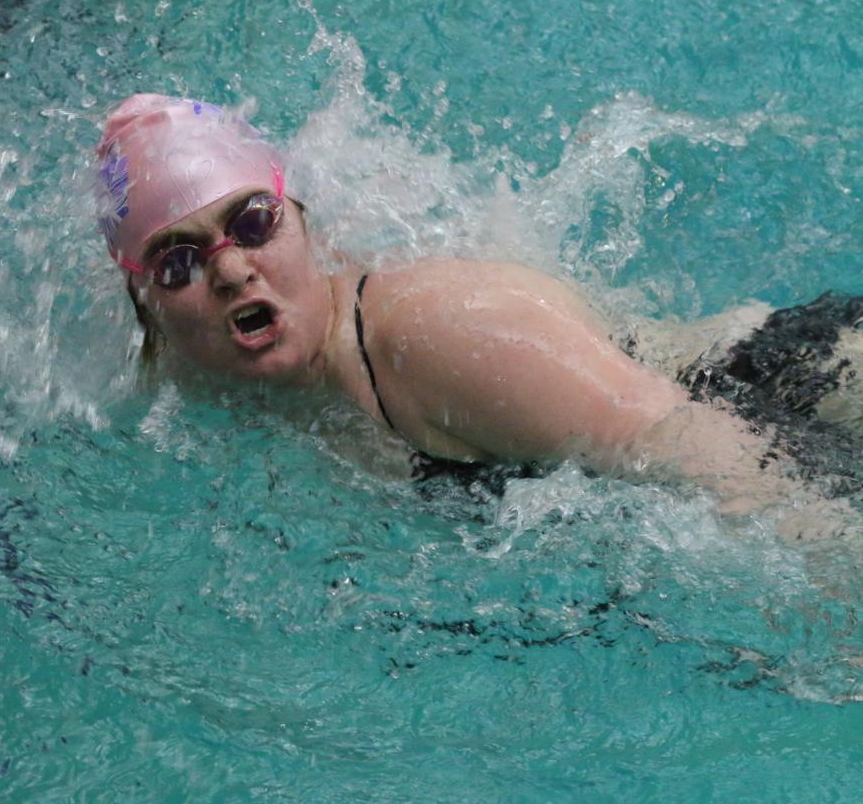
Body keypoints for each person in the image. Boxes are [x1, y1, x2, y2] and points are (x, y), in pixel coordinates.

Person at [95, 93, 863, 536]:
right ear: (148, 304)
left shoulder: (439, 335)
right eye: (178, 263)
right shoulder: (203, 383)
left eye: (254, 222)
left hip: (794, 391)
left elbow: (696, 444)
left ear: (304, 223)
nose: (230, 268)